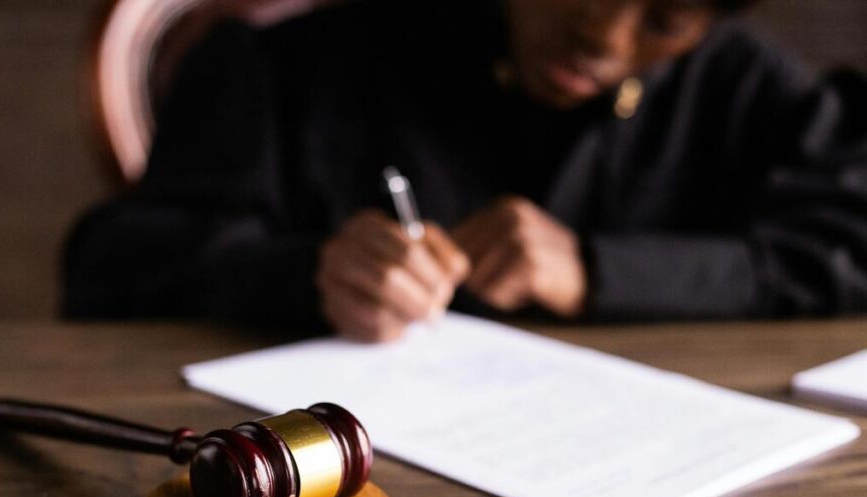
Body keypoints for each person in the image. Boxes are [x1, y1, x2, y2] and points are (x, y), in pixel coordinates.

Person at [64, 0, 867, 342]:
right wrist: (307, 274)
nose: (603, 36)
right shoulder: (297, 64)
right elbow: (111, 266)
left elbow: (847, 250)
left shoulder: (745, 87)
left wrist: (601, 272)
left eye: (665, 18)